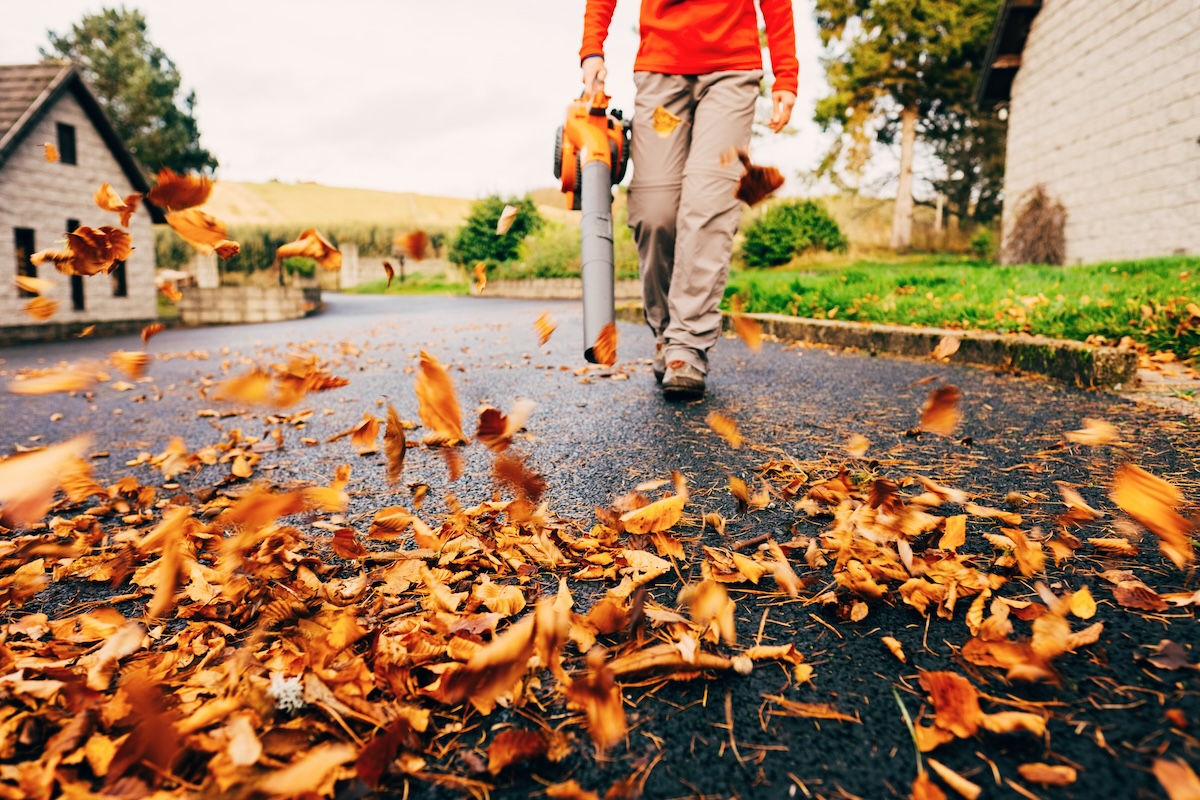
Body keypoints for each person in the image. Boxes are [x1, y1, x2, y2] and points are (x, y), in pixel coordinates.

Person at [580, 0, 798, 400]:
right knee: (654, 212)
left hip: (731, 74)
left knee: (707, 205)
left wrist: (786, 73)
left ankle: (688, 344)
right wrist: (593, 49)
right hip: (661, 74)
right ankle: (665, 332)